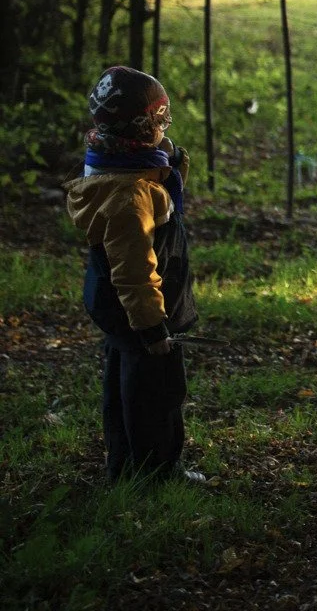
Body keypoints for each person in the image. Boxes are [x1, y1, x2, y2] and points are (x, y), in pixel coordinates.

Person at [64, 65, 204, 484]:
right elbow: (135, 270)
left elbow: (163, 197)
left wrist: (171, 165)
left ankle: (124, 465)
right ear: (142, 127)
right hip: (139, 310)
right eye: (160, 120)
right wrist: (152, 327)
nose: (165, 127)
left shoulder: (114, 164)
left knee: (124, 384)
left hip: (114, 304)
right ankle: (156, 471)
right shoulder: (129, 195)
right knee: (155, 392)